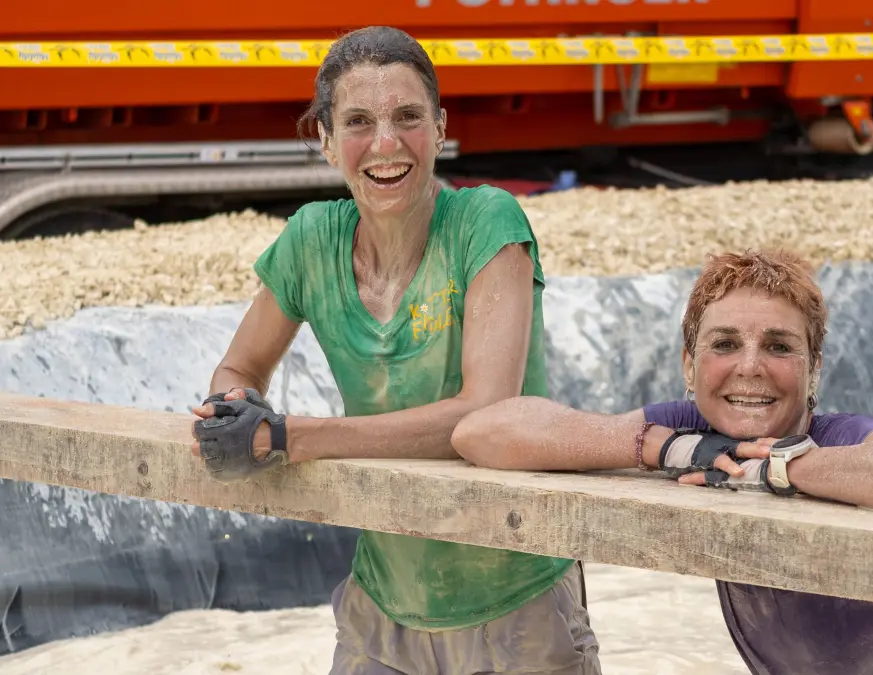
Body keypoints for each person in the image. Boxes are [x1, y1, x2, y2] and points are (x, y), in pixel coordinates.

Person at [187, 26, 600, 675]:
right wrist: (230, 411)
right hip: (383, 608)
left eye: (407, 116)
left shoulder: (486, 224)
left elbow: (482, 416)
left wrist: (288, 436)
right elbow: (239, 368)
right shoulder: (312, 240)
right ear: (325, 141)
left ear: (440, 129)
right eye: (358, 121)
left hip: (517, 605)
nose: (385, 143)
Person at [450, 248, 873, 675]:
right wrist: (666, 447)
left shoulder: (840, 440)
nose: (749, 367)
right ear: (689, 365)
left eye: (778, 346)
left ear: (814, 368)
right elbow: (484, 431)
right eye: (724, 345)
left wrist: (781, 469)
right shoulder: (696, 429)